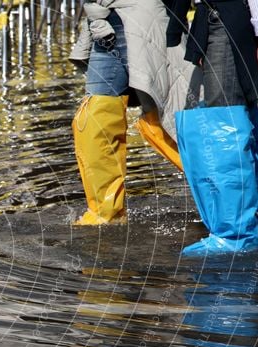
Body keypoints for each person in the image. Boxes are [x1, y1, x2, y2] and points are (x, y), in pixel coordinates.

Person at [168, 0, 258, 256]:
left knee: (224, 123)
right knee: (242, 117)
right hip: (219, 17)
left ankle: (235, 236)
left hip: (230, 17)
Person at [68, 0, 198, 225]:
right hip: (104, 22)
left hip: (139, 17)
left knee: (165, 119)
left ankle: (228, 197)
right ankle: (105, 214)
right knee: (94, 122)